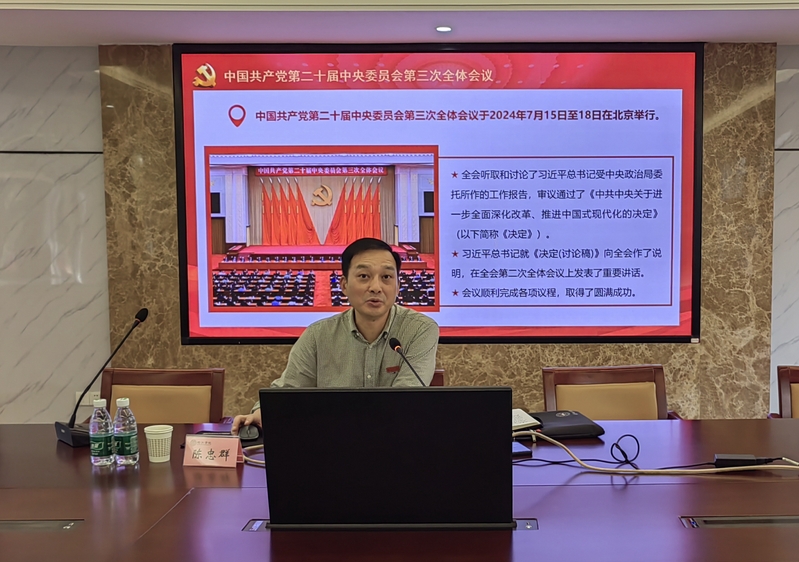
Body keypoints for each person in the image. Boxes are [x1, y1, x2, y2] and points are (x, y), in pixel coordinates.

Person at [232, 237, 440, 435]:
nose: (376, 288)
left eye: (386, 277)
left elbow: (404, 403)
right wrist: (261, 414)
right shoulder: (318, 336)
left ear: (398, 285)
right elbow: (288, 391)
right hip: (330, 444)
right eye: (364, 276)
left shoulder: (420, 330)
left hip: (396, 443)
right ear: (344, 285)